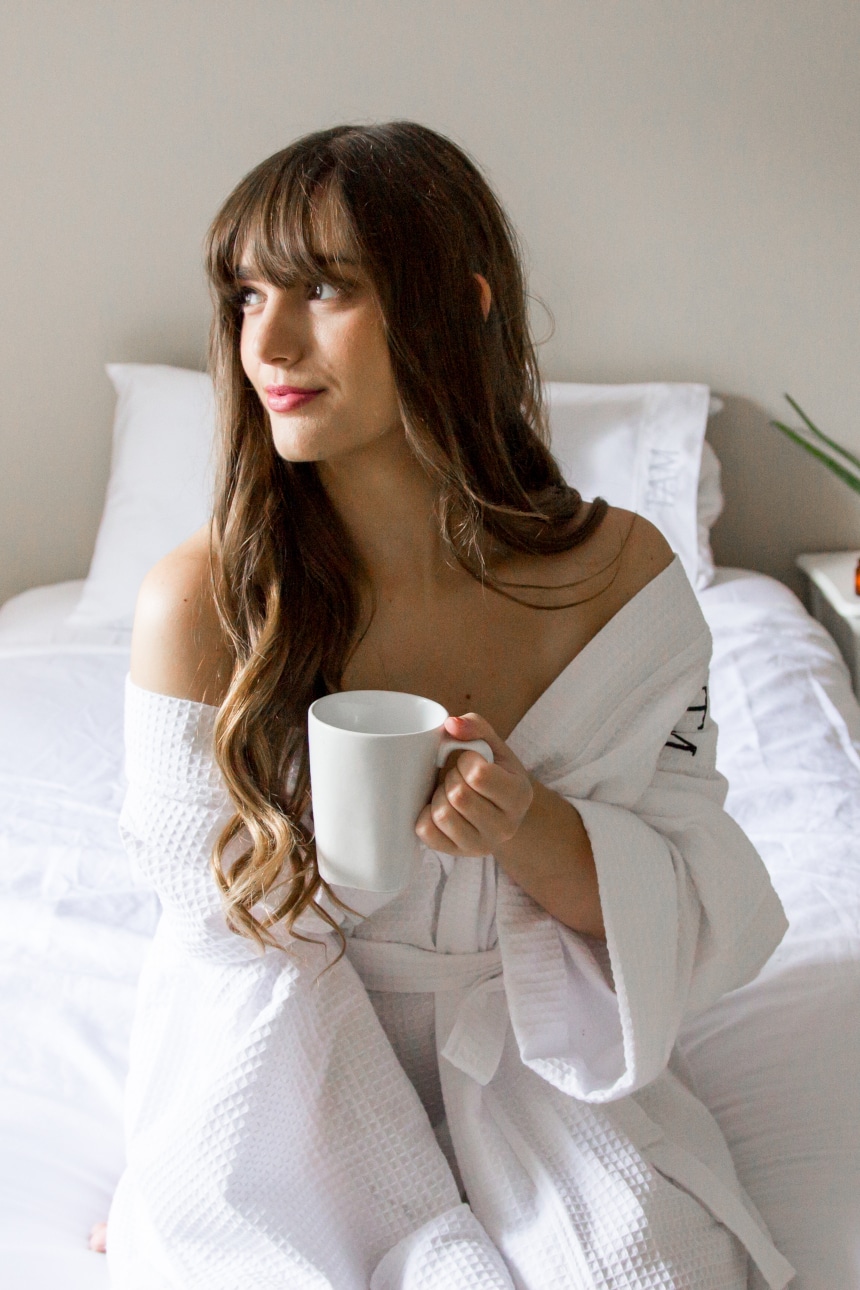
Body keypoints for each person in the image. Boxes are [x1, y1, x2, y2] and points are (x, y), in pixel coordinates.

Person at [103, 122, 795, 1288]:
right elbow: (218, 939)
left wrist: (525, 827)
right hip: (282, 1066)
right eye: (245, 292)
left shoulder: (615, 585)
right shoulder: (204, 605)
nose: (263, 340)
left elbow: (689, 877)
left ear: (459, 306)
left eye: (325, 288)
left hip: (538, 1052)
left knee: (651, 1262)